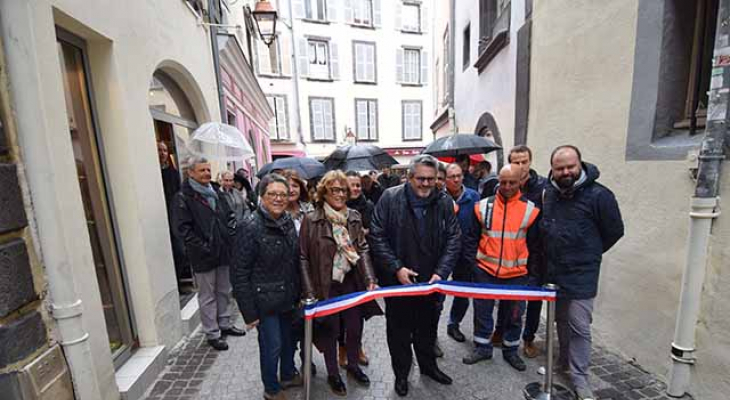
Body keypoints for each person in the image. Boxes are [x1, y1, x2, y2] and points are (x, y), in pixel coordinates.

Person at [370, 154, 461, 397]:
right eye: (420, 178)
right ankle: (401, 375)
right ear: (409, 177)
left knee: (428, 329)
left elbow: (454, 237)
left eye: (431, 179)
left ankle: (429, 367)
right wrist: (396, 268)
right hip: (398, 282)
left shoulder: (443, 201)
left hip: (430, 282)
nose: (425, 184)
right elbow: (376, 236)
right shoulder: (390, 198)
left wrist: (441, 272)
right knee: (398, 332)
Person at [540, 145, 624, 400]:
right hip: (555, 273)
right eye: (559, 168)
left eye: (570, 167)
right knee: (560, 321)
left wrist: (588, 253)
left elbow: (614, 231)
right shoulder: (549, 194)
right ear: (552, 170)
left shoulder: (600, 196)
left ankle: (580, 378)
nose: (565, 172)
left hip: (582, 274)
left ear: (580, 165)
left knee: (579, 327)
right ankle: (563, 362)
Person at [299, 171, 381, 396]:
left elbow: (362, 249)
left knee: (354, 329)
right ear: (324, 192)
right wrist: (308, 291)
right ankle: (333, 374)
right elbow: (303, 257)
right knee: (330, 331)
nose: (340, 194)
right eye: (334, 190)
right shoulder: (311, 219)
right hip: (325, 285)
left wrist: (370, 278)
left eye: (343, 190)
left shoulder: (353, 216)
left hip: (351, 283)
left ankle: (353, 365)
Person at [231, 174, 303, 400]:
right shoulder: (249, 226)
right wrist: (249, 313)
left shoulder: (288, 221)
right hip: (265, 302)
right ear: (262, 196)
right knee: (272, 346)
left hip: (288, 297)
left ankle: (288, 374)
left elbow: (294, 261)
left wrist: (301, 292)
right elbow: (239, 273)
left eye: (283, 194)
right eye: (272, 194)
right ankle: (271, 389)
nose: (279, 199)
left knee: (289, 342)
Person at [463, 165, 540, 372]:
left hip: (517, 275)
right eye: (503, 182)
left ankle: (511, 351)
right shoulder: (482, 206)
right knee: (482, 313)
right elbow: (471, 237)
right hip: (485, 271)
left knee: (514, 315)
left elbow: (535, 245)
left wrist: (531, 274)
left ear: (520, 182)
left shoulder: (530, 210)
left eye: (511, 182)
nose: (506, 186)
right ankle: (482, 348)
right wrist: (474, 265)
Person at [172, 157, 245, 351]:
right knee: (207, 296)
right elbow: (183, 229)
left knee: (224, 291)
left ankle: (225, 324)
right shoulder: (183, 197)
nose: (206, 173)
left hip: (223, 252)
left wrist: (230, 236)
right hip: (202, 256)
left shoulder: (216, 192)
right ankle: (212, 333)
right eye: (202, 170)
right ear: (191, 173)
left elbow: (229, 216)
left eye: (208, 169)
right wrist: (203, 246)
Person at [442, 164, 481, 343]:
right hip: (442, 253)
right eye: (452, 177)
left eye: (459, 175)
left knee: (462, 292)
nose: (456, 179)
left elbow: (479, 224)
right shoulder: (439, 197)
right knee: (437, 294)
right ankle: (431, 332)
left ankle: (454, 324)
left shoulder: (473, 197)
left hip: (465, 252)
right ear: (445, 179)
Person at [157, 141, 190, 290]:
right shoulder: (152, 172)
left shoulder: (173, 173)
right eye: (159, 150)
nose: (162, 153)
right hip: (159, 218)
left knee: (180, 252)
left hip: (173, 217)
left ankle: (177, 282)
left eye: (164, 150)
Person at [282, 170, 314, 234]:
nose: (291, 190)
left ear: (300, 188)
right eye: (287, 186)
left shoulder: (308, 207)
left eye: (295, 186)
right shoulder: (277, 212)